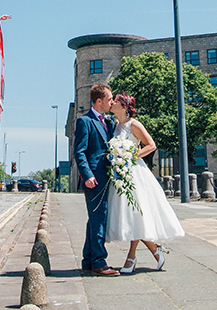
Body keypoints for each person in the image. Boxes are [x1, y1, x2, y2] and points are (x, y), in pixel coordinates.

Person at [105, 93, 185, 273]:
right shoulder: (116, 125)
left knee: (135, 213)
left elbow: (151, 145)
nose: (112, 103)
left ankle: (131, 258)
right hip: (121, 173)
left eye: (116, 101)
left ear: (124, 106)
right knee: (132, 215)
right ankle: (155, 251)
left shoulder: (134, 124)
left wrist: (131, 156)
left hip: (134, 172)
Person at [73, 83, 118, 276]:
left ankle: (88, 260)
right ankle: (99, 263)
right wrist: (87, 175)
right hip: (94, 179)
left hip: (105, 177)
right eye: (109, 99)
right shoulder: (85, 121)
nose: (112, 102)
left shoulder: (107, 122)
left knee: (95, 219)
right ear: (99, 101)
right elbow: (79, 151)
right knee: (99, 219)